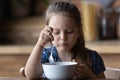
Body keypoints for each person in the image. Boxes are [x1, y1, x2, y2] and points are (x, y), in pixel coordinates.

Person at [24, 1, 106, 80]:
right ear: (47, 31)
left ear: (79, 31)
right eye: (56, 32)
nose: (63, 37)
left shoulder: (92, 58)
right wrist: (40, 44)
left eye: (69, 32)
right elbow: (31, 76)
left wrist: (91, 76)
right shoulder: (45, 55)